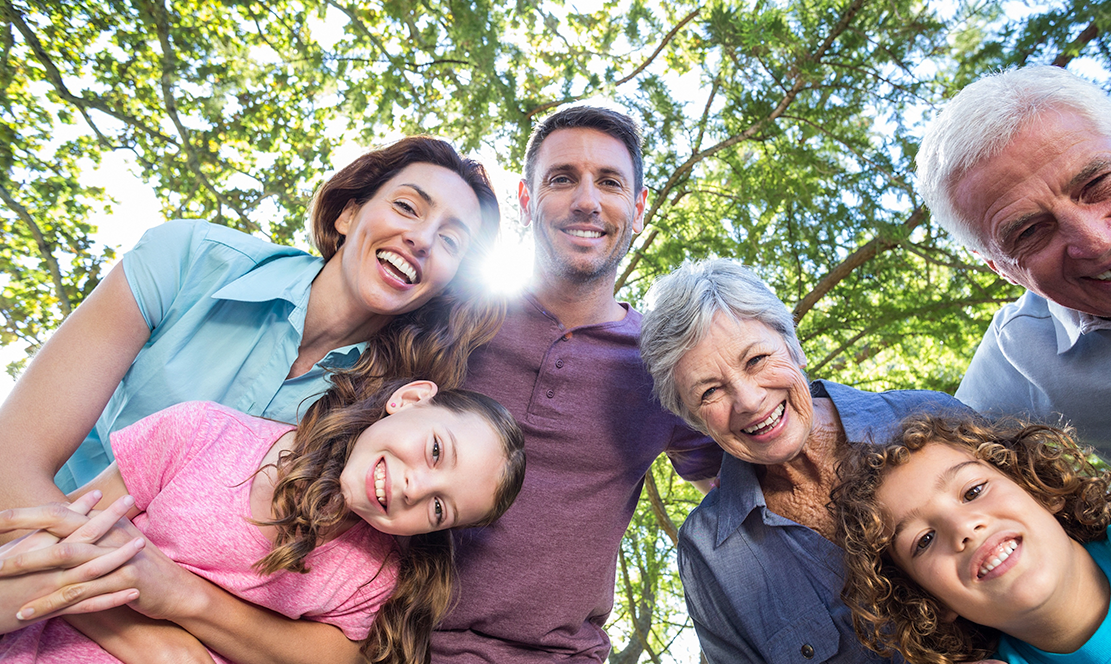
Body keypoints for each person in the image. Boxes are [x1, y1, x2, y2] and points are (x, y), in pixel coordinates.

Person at [0, 136, 504, 658]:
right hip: (36, 557)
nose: (421, 238)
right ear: (348, 214)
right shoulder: (189, 259)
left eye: (450, 242)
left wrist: (182, 611)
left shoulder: (375, 428)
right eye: (407, 207)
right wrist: (149, 640)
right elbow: (10, 463)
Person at [429, 105, 724, 662]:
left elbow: (756, 491)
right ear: (525, 199)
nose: (587, 200)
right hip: (392, 639)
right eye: (562, 179)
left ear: (636, 209)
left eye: (609, 182)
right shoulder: (451, 316)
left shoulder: (666, 363)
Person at [1, 375, 526, 664]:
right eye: (436, 450)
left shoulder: (373, 576)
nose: (416, 487)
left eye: (439, 508)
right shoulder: (203, 433)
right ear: (409, 399)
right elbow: (44, 543)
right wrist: (155, 640)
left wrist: (181, 598)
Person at [638, 257, 965, 663]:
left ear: (794, 349)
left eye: (756, 360)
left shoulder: (932, 418)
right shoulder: (708, 552)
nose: (750, 400)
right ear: (695, 421)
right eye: (709, 392)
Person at [915, 65, 1111, 501]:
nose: (1097, 241)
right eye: (1029, 232)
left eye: (1098, 182)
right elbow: (921, 480)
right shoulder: (1021, 354)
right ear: (1001, 268)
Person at [832, 413, 1111, 663]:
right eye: (924, 540)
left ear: (1041, 488)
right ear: (929, 601)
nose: (963, 529)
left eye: (973, 491)